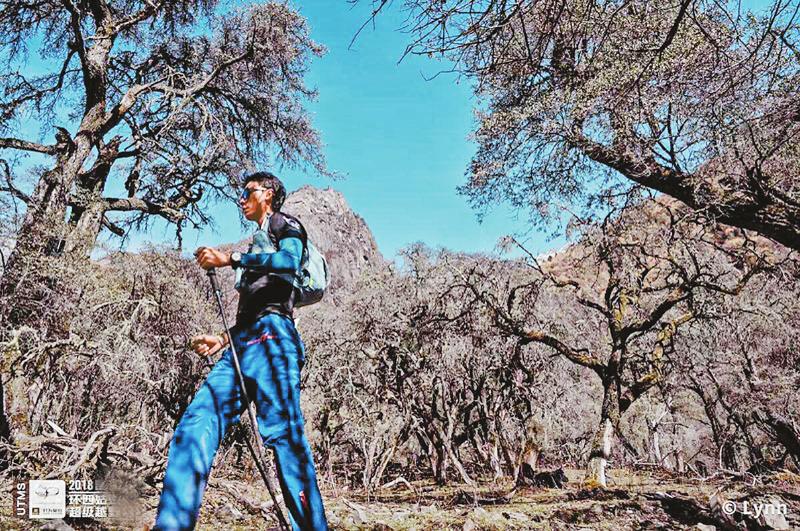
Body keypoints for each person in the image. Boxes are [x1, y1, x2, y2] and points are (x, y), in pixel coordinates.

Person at [153, 171, 328, 530]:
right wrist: (222, 339)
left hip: (274, 340)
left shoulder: (285, 223)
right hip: (244, 343)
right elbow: (255, 310)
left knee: (284, 436)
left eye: (248, 192)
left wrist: (230, 258)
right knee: (197, 422)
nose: (242, 199)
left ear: (268, 194)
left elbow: (289, 261)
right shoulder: (256, 247)